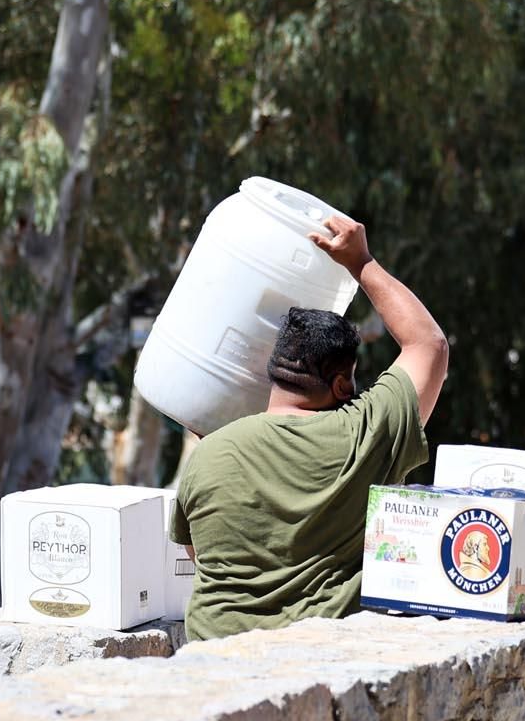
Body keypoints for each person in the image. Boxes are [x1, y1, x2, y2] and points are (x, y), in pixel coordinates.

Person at [169, 211, 448, 640]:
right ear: (340, 384)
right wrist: (361, 262)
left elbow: (199, 552)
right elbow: (428, 344)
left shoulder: (208, 453)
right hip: (317, 666)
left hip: (210, 663)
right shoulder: (364, 435)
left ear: (276, 369)